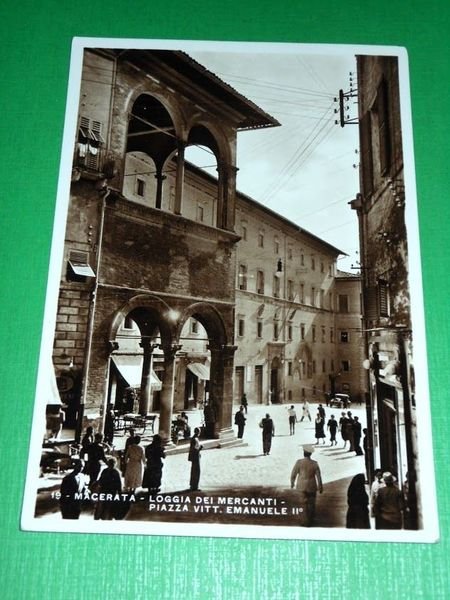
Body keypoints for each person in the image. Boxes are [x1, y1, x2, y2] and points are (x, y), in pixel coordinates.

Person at [290, 444, 323, 526]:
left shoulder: (299, 462)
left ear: (303, 453)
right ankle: (311, 520)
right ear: (311, 454)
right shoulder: (315, 463)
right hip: (311, 486)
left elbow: (293, 473)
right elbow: (319, 476)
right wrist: (320, 486)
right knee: (311, 504)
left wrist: (292, 482)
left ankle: (304, 521)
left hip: (301, 486)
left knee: (303, 504)